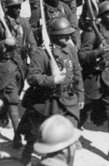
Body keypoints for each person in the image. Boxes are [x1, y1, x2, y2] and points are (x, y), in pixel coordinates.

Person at [18, 17, 84, 165]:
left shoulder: (70, 49)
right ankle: (26, 160)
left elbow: (77, 71)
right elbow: (32, 77)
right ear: (54, 35)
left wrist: (80, 95)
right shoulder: (41, 53)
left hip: (69, 100)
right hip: (48, 103)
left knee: (69, 141)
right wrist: (51, 80)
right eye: (64, 35)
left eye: (69, 34)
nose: (68, 38)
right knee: (35, 137)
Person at [78, 0, 109, 164]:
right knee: (84, 109)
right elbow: (82, 56)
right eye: (108, 13)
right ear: (100, 16)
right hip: (93, 78)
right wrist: (98, 51)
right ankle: (73, 133)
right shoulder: (91, 32)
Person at [0, 0, 37, 148]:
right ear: (7, 8)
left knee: (10, 96)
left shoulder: (24, 23)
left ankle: (2, 115)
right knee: (13, 98)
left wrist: (33, 55)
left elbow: (32, 43)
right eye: (14, 7)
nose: (17, 10)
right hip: (6, 65)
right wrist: (4, 42)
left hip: (21, 65)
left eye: (19, 7)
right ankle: (17, 137)